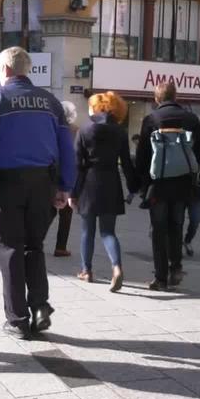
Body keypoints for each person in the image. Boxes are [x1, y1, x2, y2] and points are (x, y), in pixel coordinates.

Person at [0, 46, 76, 340]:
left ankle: (17, 320)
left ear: (3, 70)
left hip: (7, 185)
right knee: (34, 246)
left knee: (11, 249)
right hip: (44, 184)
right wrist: (65, 186)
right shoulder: (51, 102)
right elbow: (67, 147)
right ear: (27, 70)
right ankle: (39, 309)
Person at [135, 81, 200, 290]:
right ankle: (176, 268)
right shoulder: (191, 119)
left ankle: (160, 278)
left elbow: (142, 156)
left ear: (156, 98)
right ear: (175, 96)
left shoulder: (151, 119)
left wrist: (139, 186)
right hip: (183, 184)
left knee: (159, 229)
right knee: (176, 226)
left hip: (158, 185)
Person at [71, 92, 139, 292]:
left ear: (97, 108)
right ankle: (116, 267)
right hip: (111, 182)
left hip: (89, 183)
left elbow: (77, 164)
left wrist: (72, 192)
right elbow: (127, 163)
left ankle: (86, 271)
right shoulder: (119, 132)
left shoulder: (84, 130)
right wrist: (134, 187)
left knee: (87, 231)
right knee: (108, 231)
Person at [53, 100, 80, 258]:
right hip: (69, 174)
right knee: (66, 213)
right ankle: (60, 247)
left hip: (50, 174)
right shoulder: (76, 130)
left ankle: (35, 241)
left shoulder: (51, 128)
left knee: (46, 211)